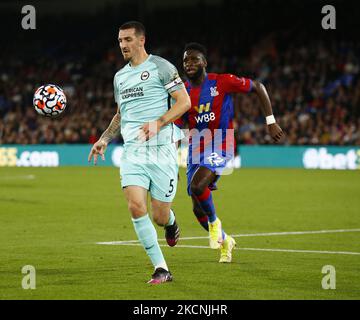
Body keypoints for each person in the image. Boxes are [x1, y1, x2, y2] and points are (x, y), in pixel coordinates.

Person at [88, 21, 190, 284]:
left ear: (142, 40)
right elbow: (121, 115)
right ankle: (161, 268)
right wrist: (104, 138)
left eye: (128, 40)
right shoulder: (120, 77)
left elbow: (184, 102)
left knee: (159, 215)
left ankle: (171, 222)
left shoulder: (162, 67)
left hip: (162, 149)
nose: (123, 45)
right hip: (133, 150)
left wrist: (160, 122)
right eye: (120, 40)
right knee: (135, 205)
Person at [175, 43, 284, 263]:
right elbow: (179, 124)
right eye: (186, 60)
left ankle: (215, 223)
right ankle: (226, 241)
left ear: (204, 62)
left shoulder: (221, 81)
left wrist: (270, 121)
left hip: (221, 144)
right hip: (196, 147)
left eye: (195, 59)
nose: (190, 64)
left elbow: (258, 87)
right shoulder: (183, 92)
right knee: (197, 209)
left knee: (198, 186)